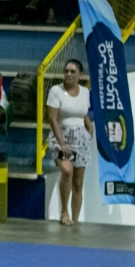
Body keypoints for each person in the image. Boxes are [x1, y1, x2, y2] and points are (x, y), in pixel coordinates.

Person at [46, 59, 92, 225]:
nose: (69, 74)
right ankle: (64, 212)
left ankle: (75, 219)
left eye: (73, 71)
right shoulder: (56, 91)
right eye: (66, 71)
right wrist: (62, 143)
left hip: (81, 138)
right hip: (62, 136)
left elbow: (82, 112)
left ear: (80, 75)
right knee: (67, 171)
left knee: (78, 182)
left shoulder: (85, 92)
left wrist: (89, 129)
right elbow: (52, 119)